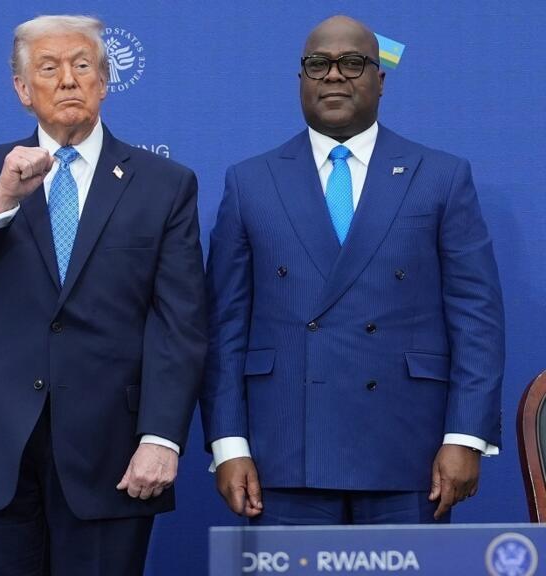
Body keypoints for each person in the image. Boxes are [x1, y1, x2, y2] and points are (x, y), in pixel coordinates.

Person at [0, 14, 206, 576]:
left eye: (82, 65)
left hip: (112, 451)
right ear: (23, 90)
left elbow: (179, 323)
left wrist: (162, 436)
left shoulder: (165, 185)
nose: (68, 79)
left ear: (104, 81)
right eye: (48, 68)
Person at [201, 15, 504, 525]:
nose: (334, 75)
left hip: (410, 452)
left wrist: (466, 436)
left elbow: (476, 319)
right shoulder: (250, 182)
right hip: (283, 452)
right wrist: (229, 443)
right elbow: (223, 327)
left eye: (353, 63)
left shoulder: (442, 176)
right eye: (318, 64)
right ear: (301, 79)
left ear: (380, 80)